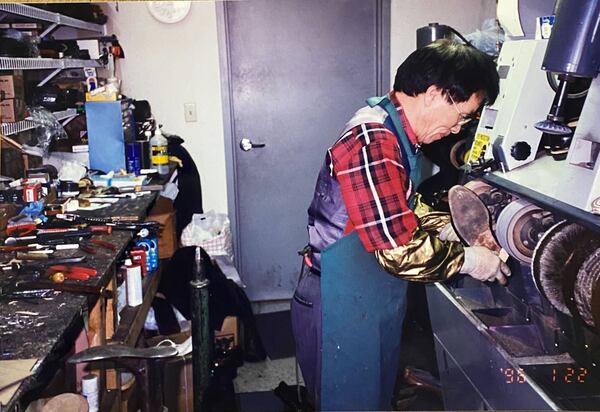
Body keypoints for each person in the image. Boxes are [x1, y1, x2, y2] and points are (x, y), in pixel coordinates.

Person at [291, 39, 509, 410]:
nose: (458, 129)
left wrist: (452, 227)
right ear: (434, 94)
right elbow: (397, 250)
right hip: (341, 307)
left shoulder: (393, 132)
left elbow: (400, 206)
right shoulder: (372, 140)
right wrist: (471, 260)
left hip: (367, 301)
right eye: (461, 115)